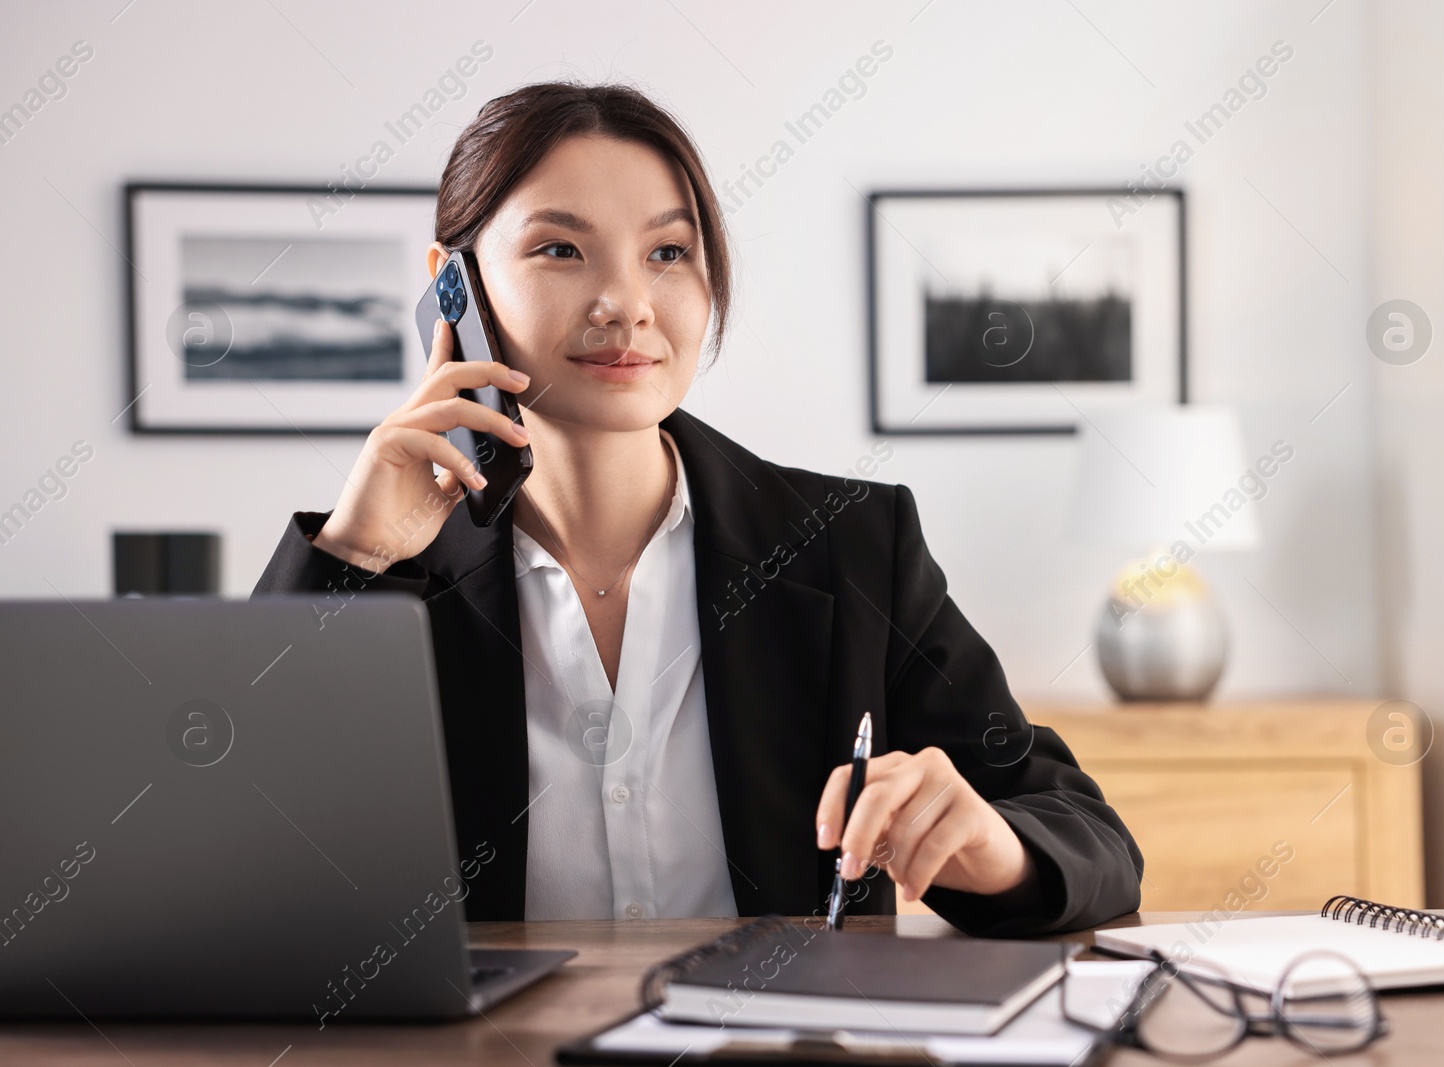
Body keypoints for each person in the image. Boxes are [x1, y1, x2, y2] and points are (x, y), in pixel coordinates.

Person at [253, 81, 1141, 937]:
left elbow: (1088, 836)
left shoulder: (850, 546)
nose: (627, 305)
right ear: (454, 285)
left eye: (668, 253)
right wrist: (352, 555)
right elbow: (225, 844)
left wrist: (996, 848)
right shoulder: (378, 564)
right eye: (561, 249)